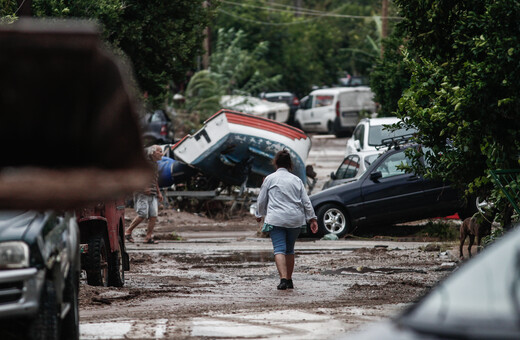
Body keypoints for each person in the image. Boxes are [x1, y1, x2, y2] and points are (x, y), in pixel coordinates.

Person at [255, 149, 318, 290]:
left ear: (275, 163)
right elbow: (306, 202)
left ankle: (283, 279)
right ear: (290, 164)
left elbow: (261, 200)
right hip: (295, 219)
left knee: (279, 249)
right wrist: (312, 219)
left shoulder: (269, 179)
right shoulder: (297, 180)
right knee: (289, 250)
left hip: (276, 219)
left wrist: (259, 214)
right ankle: (289, 280)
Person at [125, 145, 164, 244]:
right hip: (142, 193)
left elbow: (155, 180)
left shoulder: (155, 164)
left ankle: (148, 237)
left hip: (152, 193)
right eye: (159, 151)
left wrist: (159, 192)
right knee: (142, 214)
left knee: (153, 215)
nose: (161, 153)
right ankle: (128, 232)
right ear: (153, 153)